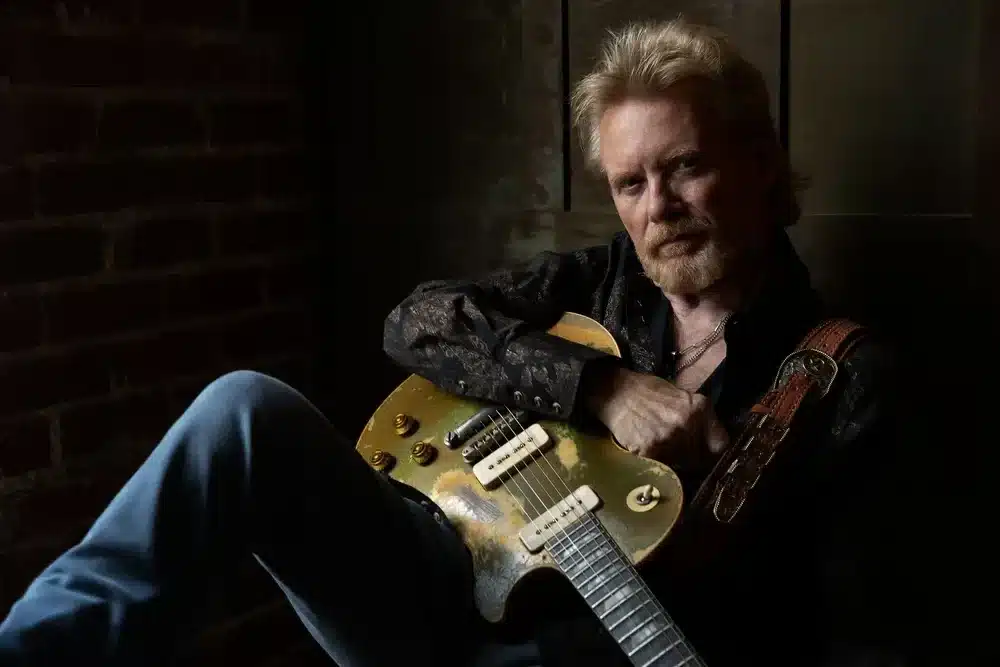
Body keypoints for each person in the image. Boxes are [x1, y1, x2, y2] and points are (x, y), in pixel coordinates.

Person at [0, 18, 903, 667]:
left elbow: (851, 624)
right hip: (437, 564)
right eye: (630, 183)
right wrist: (603, 387)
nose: (656, 208)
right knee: (241, 410)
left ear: (760, 162)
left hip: (584, 642)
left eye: (686, 167)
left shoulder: (834, 372)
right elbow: (418, 320)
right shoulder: (599, 281)